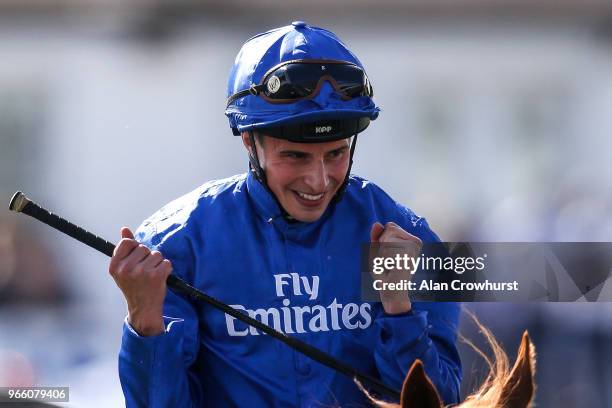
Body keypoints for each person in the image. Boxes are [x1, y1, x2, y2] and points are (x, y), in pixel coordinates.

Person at [110, 21, 461, 407]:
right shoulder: (173, 244)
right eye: (295, 156)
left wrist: (399, 310)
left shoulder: (414, 237)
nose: (318, 181)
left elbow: (445, 400)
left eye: (336, 154)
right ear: (249, 142)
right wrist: (144, 324)